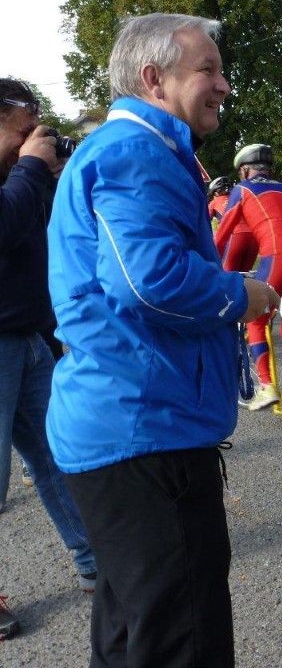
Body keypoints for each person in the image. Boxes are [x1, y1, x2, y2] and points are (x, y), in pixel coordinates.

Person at [47, 13, 279, 667]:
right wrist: (239, 294)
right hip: (146, 431)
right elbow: (145, 282)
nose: (224, 85)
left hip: (124, 424)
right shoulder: (137, 150)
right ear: (154, 78)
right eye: (207, 69)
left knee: (131, 632)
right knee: (182, 641)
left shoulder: (128, 148)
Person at [0, 79, 97, 598]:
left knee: (56, 455)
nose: (35, 129)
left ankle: (94, 561)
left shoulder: (20, 176)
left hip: (29, 338)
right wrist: (31, 168)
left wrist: (47, 176)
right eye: (27, 118)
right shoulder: (20, 174)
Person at [216, 146, 282, 411]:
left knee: (256, 318)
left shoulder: (242, 189)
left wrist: (210, 263)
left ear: (244, 170)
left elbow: (223, 234)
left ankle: (267, 387)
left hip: (280, 255)